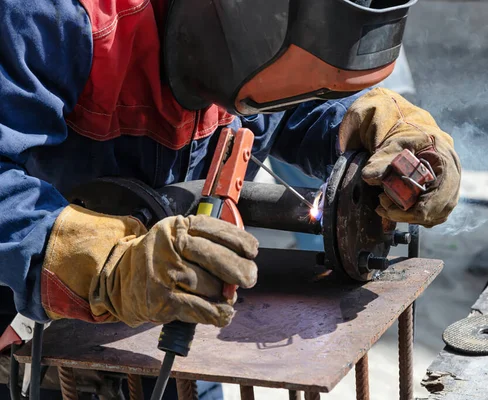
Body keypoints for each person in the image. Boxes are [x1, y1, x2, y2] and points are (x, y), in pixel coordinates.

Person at [0, 0, 461, 398]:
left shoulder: (253, 42)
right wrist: (108, 265)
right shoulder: (55, 17)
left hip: (179, 330)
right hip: (32, 340)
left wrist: (377, 126)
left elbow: (298, 101)